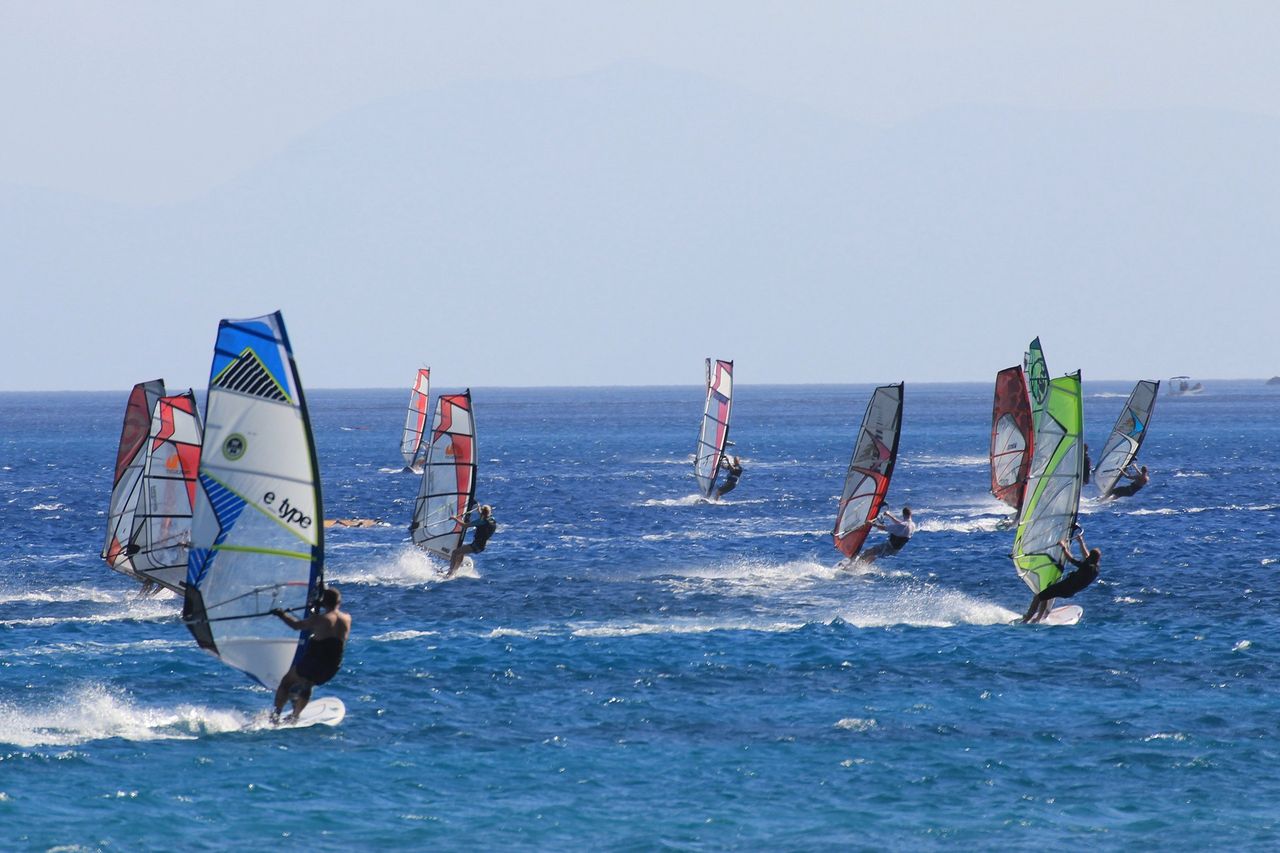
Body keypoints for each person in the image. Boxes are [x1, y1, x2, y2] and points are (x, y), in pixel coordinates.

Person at [270, 586, 350, 723]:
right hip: (333, 666)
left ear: (323, 602)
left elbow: (296, 626)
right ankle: (295, 716)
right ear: (339, 602)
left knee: (287, 682)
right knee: (308, 684)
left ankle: (275, 716)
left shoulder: (319, 619)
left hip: (314, 662)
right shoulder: (347, 618)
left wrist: (281, 614)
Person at [1021, 531, 1101, 624]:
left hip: (1065, 588)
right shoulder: (1096, 568)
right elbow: (1086, 555)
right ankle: (1039, 618)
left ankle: (1026, 620)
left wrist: (1063, 547)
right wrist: (1081, 542)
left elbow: (1071, 559)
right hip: (1069, 590)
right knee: (1046, 593)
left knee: (1038, 597)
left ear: (1091, 558)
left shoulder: (1087, 567)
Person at [447, 504, 497, 578]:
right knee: (461, 551)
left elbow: (465, 525)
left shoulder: (481, 521)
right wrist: (479, 510)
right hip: (481, 545)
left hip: (476, 546)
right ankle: (455, 570)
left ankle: (450, 573)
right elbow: (484, 516)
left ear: (482, 513)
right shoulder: (492, 520)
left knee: (455, 552)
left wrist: (455, 519)